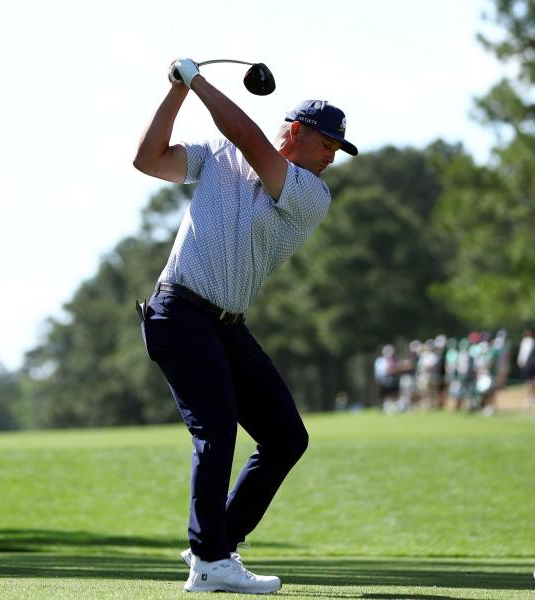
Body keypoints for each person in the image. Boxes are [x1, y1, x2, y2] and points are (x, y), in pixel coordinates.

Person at [132, 57, 358, 594]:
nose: (331, 157)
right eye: (327, 144)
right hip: (180, 313)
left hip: (226, 326)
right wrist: (176, 92)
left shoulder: (310, 194)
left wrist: (198, 81)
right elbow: (147, 160)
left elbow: (250, 137)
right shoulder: (219, 158)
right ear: (298, 133)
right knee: (216, 428)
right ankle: (210, 560)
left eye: (336, 151)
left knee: (285, 436)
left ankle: (214, 544)